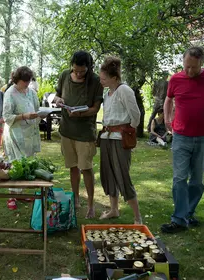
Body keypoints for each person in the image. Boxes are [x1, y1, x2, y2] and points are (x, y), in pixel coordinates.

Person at [160, 46, 204, 233]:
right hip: (181, 136)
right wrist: (167, 117)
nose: (189, 71)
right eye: (186, 66)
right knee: (180, 178)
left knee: (196, 181)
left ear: (201, 63)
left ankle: (188, 213)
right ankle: (179, 219)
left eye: (193, 68)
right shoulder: (176, 79)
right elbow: (168, 99)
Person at [54, 51, 103, 219]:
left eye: (82, 71)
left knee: (86, 168)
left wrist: (81, 113)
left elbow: (96, 108)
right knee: (72, 167)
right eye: (76, 70)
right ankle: (75, 198)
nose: (79, 73)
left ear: (89, 68)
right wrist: (58, 100)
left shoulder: (95, 81)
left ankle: (90, 204)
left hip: (85, 132)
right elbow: (57, 95)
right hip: (67, 130)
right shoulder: (65, 75)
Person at [98, 56, 142, 224]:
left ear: (114, 77)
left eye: (104, 78)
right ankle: (114, 210)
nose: (101, 80)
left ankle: (138, 218)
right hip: (106, 138)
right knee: (108, 174)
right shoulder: (107, 93)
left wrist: (126, 130)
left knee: (122, 175)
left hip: (119, 139)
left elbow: (135, 116)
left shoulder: (124, 90)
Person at [3, 66, 40, 210]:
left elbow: (37, 108)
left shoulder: (31, 92)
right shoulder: (10, 93)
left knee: (27, 163)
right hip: (15, 134)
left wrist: (39, 114)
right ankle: (11, 195)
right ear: (16, 80)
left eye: (28, 81)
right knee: (16, 163)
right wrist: (24, 116)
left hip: (29, 133)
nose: (26, 84)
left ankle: (21, 193)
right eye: (24, 81)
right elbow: (6, 117)